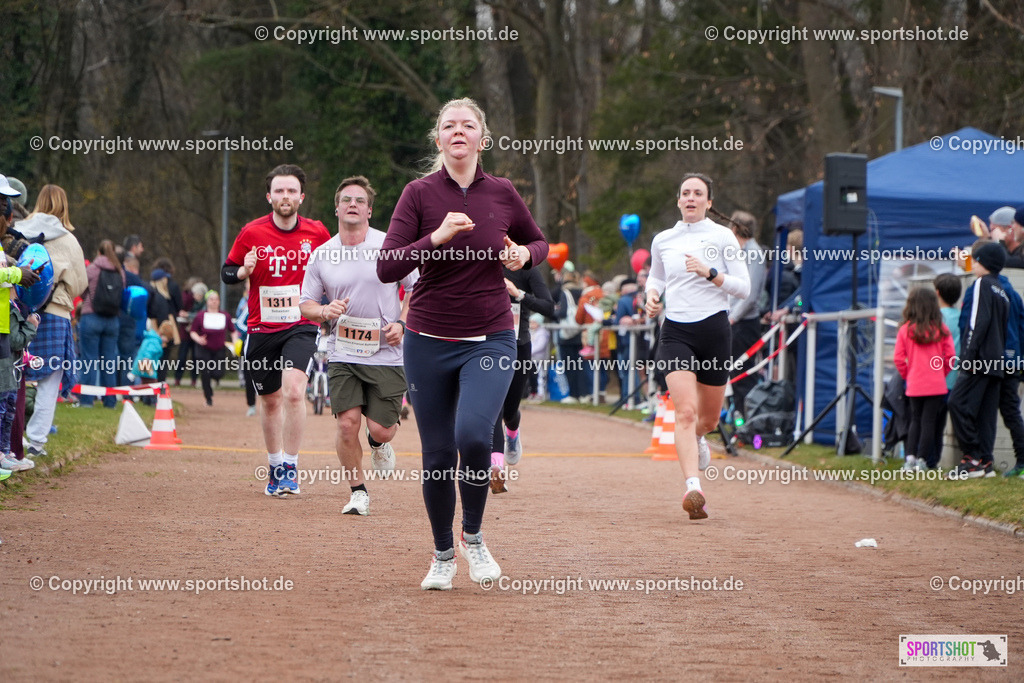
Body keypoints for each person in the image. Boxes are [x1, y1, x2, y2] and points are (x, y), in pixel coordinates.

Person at [377, 97, 548, 590]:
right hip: (428, 338)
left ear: (482, 138)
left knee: (474, 436)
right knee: (436, 454)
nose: (458, 132)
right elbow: (388, 266)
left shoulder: (503, 192)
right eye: (449, 126)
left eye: (467, 125)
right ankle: (443, 554)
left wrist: (521, 254)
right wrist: (435, 237)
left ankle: (474, 538)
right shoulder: (418, 194)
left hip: (491, 336)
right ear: (438, 140)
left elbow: (538, 243)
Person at [299, 175, 417, 516]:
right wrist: (324, 310)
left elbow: (415, 288)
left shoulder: (390, 246)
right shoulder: (323, 254)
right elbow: (305, 302)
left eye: (359, 200)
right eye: (346, 199)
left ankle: (378, 444)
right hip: (343, 350)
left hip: (386, 352)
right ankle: (358, 491)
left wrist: (402, 324)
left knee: (382, 428)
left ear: (369, 210)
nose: (353, 204)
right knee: (347, 423)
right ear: (336, 208)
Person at [645, 173, 750, 520]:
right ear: (678, 200)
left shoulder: (723, 237)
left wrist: (711, 273)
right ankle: (694, 488)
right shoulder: (664, 239)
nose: (691, 198)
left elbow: (743, 288)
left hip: (715, 331)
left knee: (707, 418)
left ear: (708, 202)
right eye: (685, 192)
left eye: (698, 193)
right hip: (676, 332)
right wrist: (652, 295)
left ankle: (700, 438)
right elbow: (657, 276)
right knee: (685, 412)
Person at [222, 164, 330, 496]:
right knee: (269, 401)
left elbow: (336, 269)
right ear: (269, 196)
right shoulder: (252, 233)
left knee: (295, 391)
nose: (285, 196)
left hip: (301, 324)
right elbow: (227, 272)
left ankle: (291, 469)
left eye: (291, 191)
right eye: (279, 191)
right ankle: (274, 467)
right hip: (261, 328)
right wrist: (244, 270)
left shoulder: (318, 233)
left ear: (301, 197)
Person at [18, 184, 86, 457]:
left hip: (19, 312)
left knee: (16, 376)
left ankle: (11, 439)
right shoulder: (68, 240)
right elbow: (80, 283)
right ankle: (36, 442)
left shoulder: (20, 230)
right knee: (49, 381)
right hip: (55, 315)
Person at [489, 263, 554, 493]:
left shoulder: (526, 268)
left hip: (519, 346)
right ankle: (496, 468)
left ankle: (513, 433)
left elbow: (549, 307)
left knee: (509, 411)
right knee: (493, 406)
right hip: (486, 346)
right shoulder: (482, 261)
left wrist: (518, 294)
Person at [948, 242, 1009, 479]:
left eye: (974, 259)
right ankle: (985, 461)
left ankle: (972, 458)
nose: (972, 263)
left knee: (958, 403)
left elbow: (977, 323)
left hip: (979, 359)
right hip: (996, 361)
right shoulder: (1001, 290)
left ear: (983, 261)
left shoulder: (982, 284)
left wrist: (968, 356)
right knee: (985, 413)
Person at [893, 288, 955, 471]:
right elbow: (950, 357)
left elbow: (898, 358)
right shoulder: (942, 329)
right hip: (936, 385)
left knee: (915, 420)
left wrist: (907, 375)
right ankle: (923, 460)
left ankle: (909, 459)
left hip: (914, 384)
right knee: (929, 422)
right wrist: (940, 374)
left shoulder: (905, 330)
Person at [727, 210, 767, 415]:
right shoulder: (740, 252)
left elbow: (750, 295)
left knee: (744, 375)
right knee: (735, 373)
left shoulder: (754, 253)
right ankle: (740, 418)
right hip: (735, 322)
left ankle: (751, 421)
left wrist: (733, 317)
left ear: (735, 228)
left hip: (744, 324)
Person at [79, 240, 126, 408]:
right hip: (112, 320)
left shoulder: (92, 268)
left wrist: (87, 300)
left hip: (91, 317)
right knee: (109, 361)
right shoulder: (120, 272)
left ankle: (87, 401)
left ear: (99, 253)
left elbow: (82, 289)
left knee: (89, 360)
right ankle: (110, 401)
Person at [932, 273, 962, 469]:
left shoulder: (935, 319)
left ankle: (931, 460)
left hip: (936, 381)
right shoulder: (961, 317)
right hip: (958, 380)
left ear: (937, 293)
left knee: (933, 424)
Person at [189, 291, 231, 406]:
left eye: (216, 299)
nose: (214, 301)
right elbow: (193, 331)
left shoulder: (225, 315)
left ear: (219, 301)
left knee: (218, 373)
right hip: (204, 349)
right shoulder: (200, 315)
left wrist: (235, 342)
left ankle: (214, 379)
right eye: (211, 299)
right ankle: (208, 397)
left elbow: (233, 331)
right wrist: (199, 339)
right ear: (207, 301)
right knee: (205, 373)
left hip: (219, 349)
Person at [234, 280, 257, 417]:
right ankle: (251, 405)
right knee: (249, 375)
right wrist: (253, 331)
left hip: (268, 343)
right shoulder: (247, 302)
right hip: (249, 344)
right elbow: (239, 323)